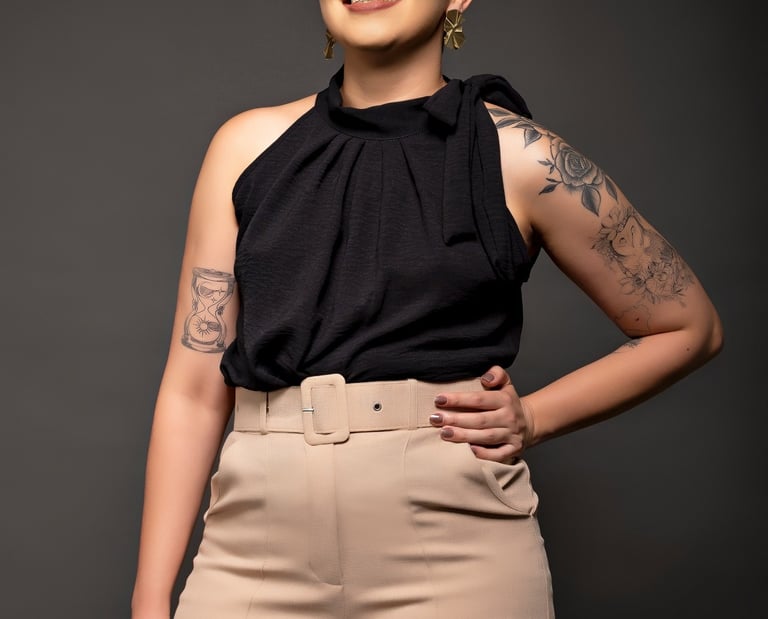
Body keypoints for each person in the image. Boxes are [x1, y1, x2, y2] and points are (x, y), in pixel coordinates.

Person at [131, 1, 722, 617]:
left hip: (454, 557)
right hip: (249, 552)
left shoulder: (523, 157)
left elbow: (690, 327)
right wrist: (150, 595)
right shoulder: (244, 147)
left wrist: (533, 417)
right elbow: (195, 390)